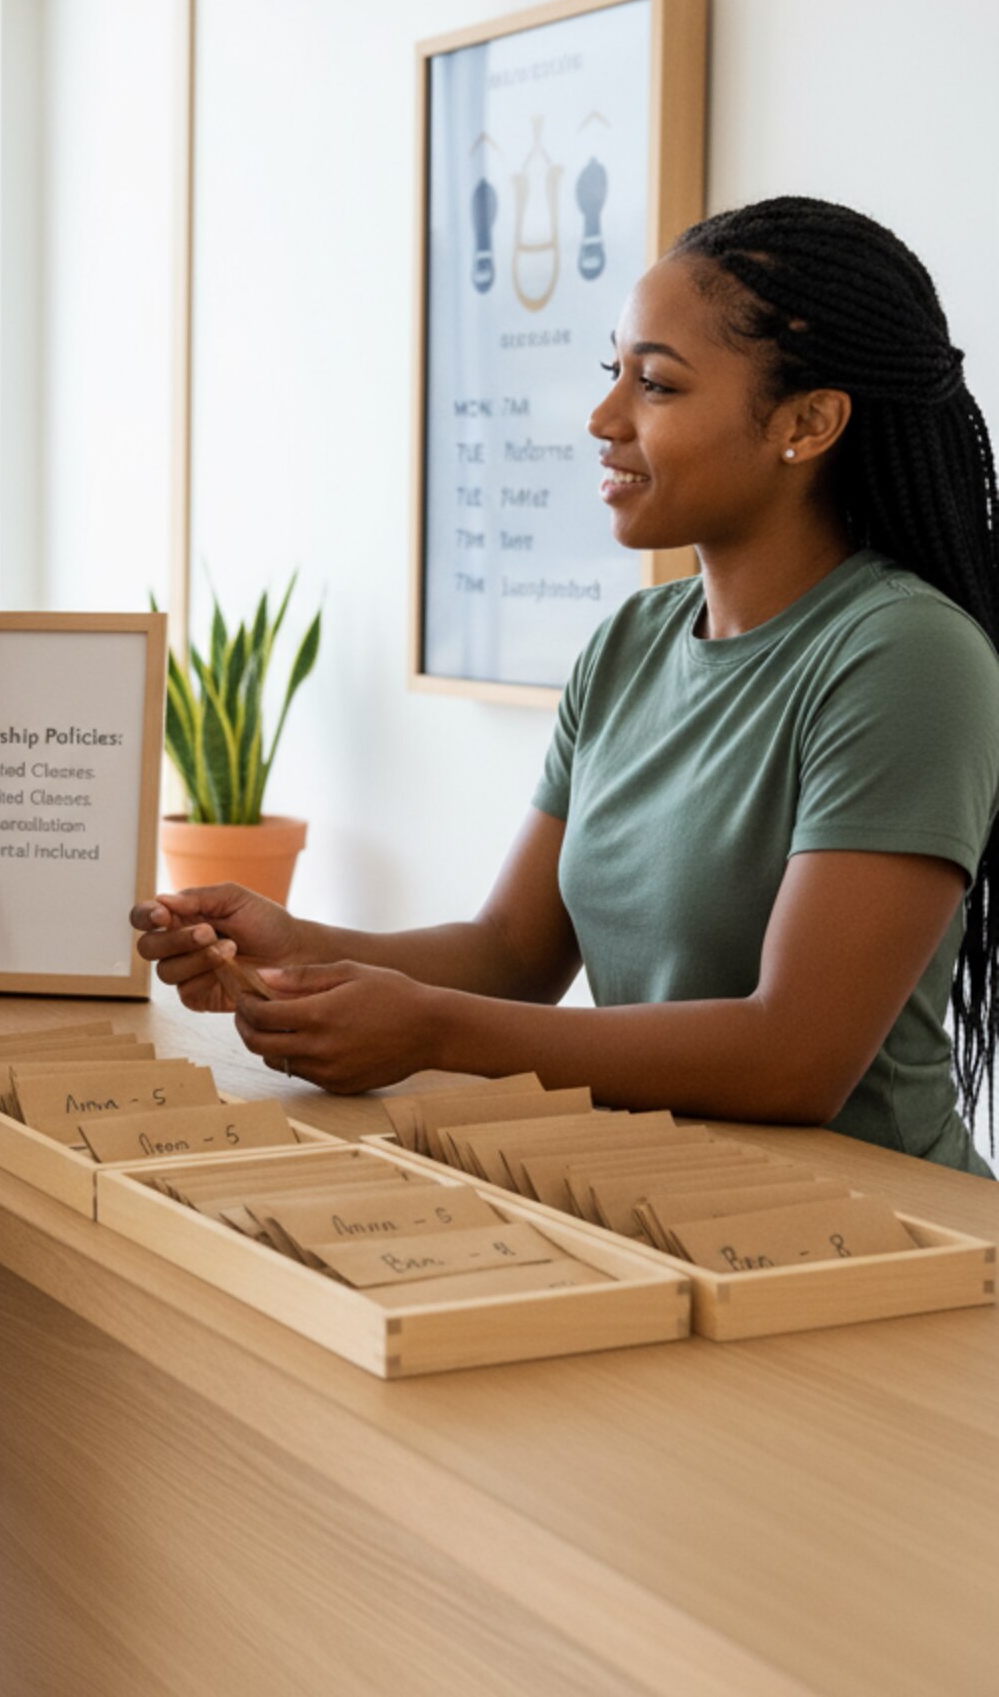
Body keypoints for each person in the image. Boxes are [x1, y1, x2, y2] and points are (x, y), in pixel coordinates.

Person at [137, 197, 999, 1176]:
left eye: (657, 385)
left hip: (881, 1234)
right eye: (611, 373)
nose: (600, 419)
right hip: (664, 1200)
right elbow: (511, 951)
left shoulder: (905, 655)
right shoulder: (629, 640)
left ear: (807, 421)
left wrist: (430, 1030)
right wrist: (294, 944)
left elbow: (791, 1057)